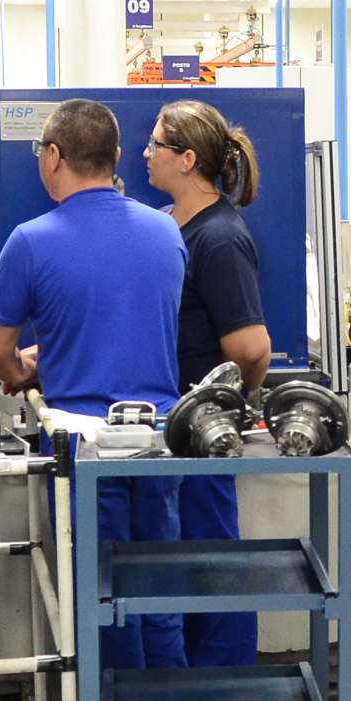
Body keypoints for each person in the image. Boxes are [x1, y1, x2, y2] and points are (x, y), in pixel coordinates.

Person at [0, 99, 188, 701]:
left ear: (53, 156)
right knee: (159, 597)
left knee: (101, 601)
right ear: (118, 158)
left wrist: (25, 370)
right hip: (158, 443)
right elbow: (129, 322)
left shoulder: (32, 242)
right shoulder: (165, 231)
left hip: (83, 454)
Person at [143, 98, 271, 670]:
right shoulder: (174, 226)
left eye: (156, 145)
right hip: (175, 426)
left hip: (201, 429)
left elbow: (250, 348)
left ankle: (226, 699)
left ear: (187, 158)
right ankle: (186, 696)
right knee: (180, 568)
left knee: (213, 566)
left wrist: (228, 409)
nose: (145, 154)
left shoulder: (219, 237)